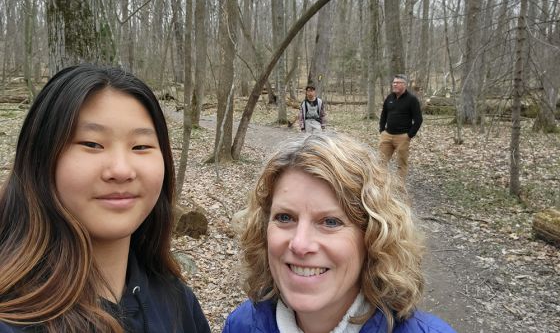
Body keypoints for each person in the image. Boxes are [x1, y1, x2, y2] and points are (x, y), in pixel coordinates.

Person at [0, 64, 210, 333]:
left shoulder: (177, 302)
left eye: (141, 146)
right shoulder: (12, 319)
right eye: (92, 144)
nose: (121, 170)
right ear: (39, 158)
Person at [223, 133, 455, 333]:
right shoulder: (241, 325)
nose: (300, 244)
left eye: (330, 222)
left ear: (373, 237)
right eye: (285, 218)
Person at [378, 74, 423, 181]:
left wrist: (409, 135)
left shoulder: (412, 100)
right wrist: (382, 130)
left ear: (404, 85)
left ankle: (399, 187)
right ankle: (380, 183)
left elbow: (418, 119)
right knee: (380, 161)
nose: (395, 84)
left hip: (402, 137)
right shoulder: (389, 97)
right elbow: (383, 114)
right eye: (394, 82)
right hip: (387, 136)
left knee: (401, 163)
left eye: (397, 83)